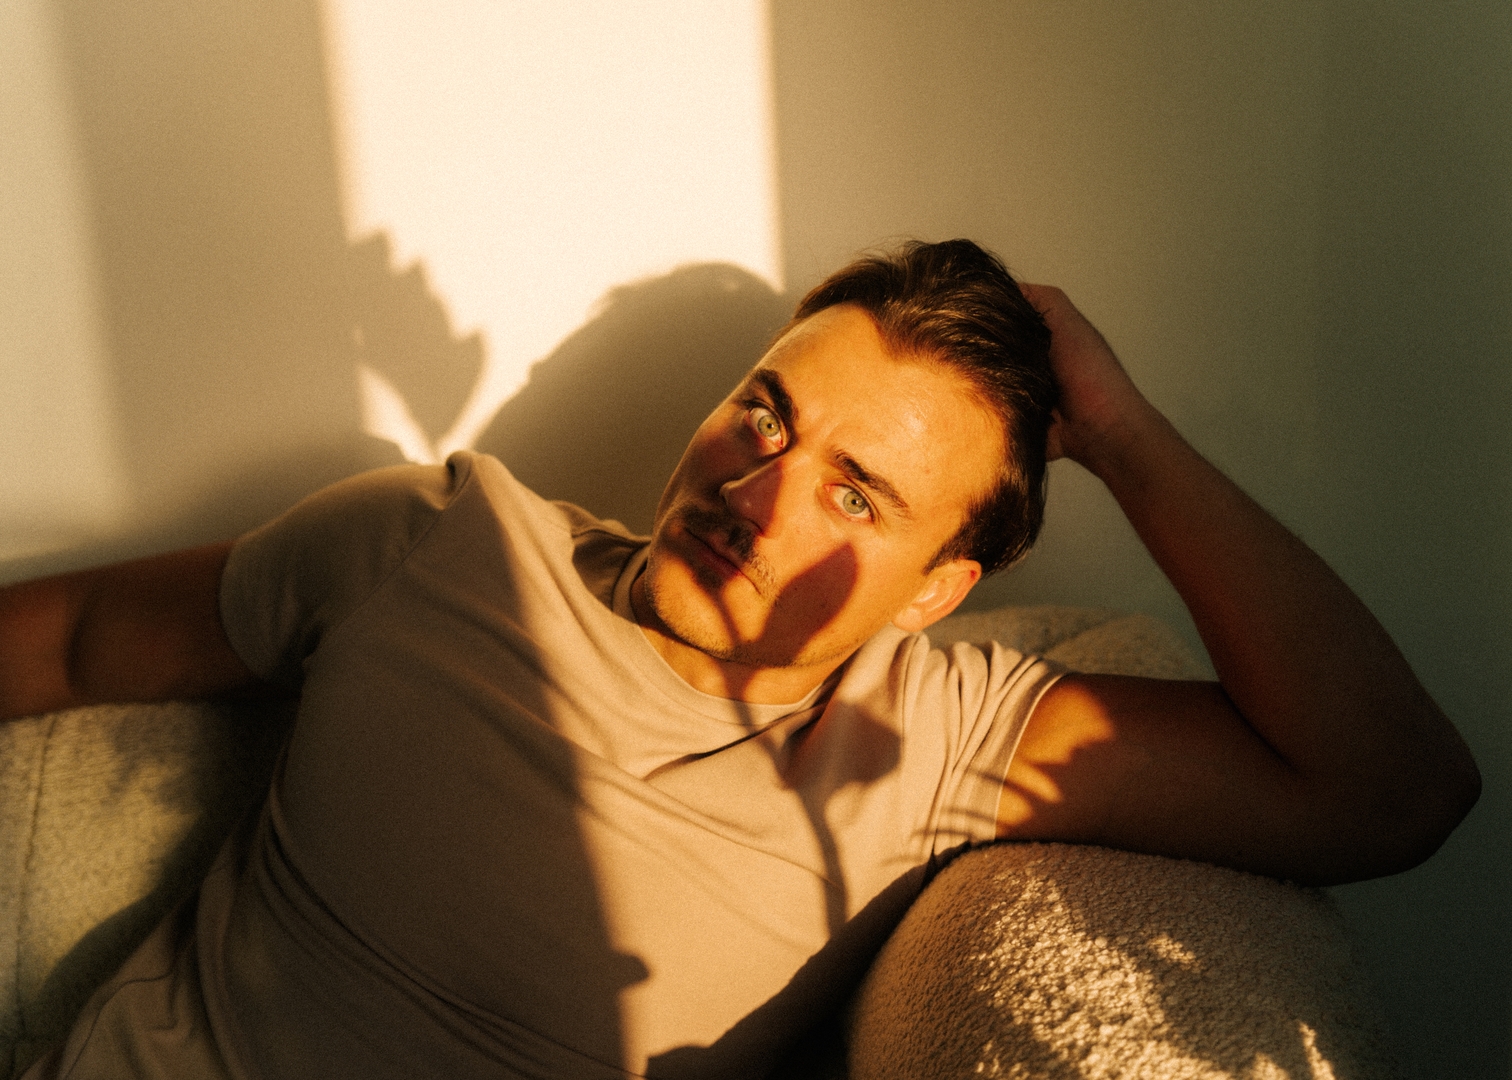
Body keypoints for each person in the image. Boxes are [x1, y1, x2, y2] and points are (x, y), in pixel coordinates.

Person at [0, 240, 1480, 1079]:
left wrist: (1130, 439)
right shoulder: (436, 537)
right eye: (765, 415)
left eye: (858, 495)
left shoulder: (936, 738)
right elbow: (71, 636)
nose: (758, 496)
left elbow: (1392, 791)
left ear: (937, 588)